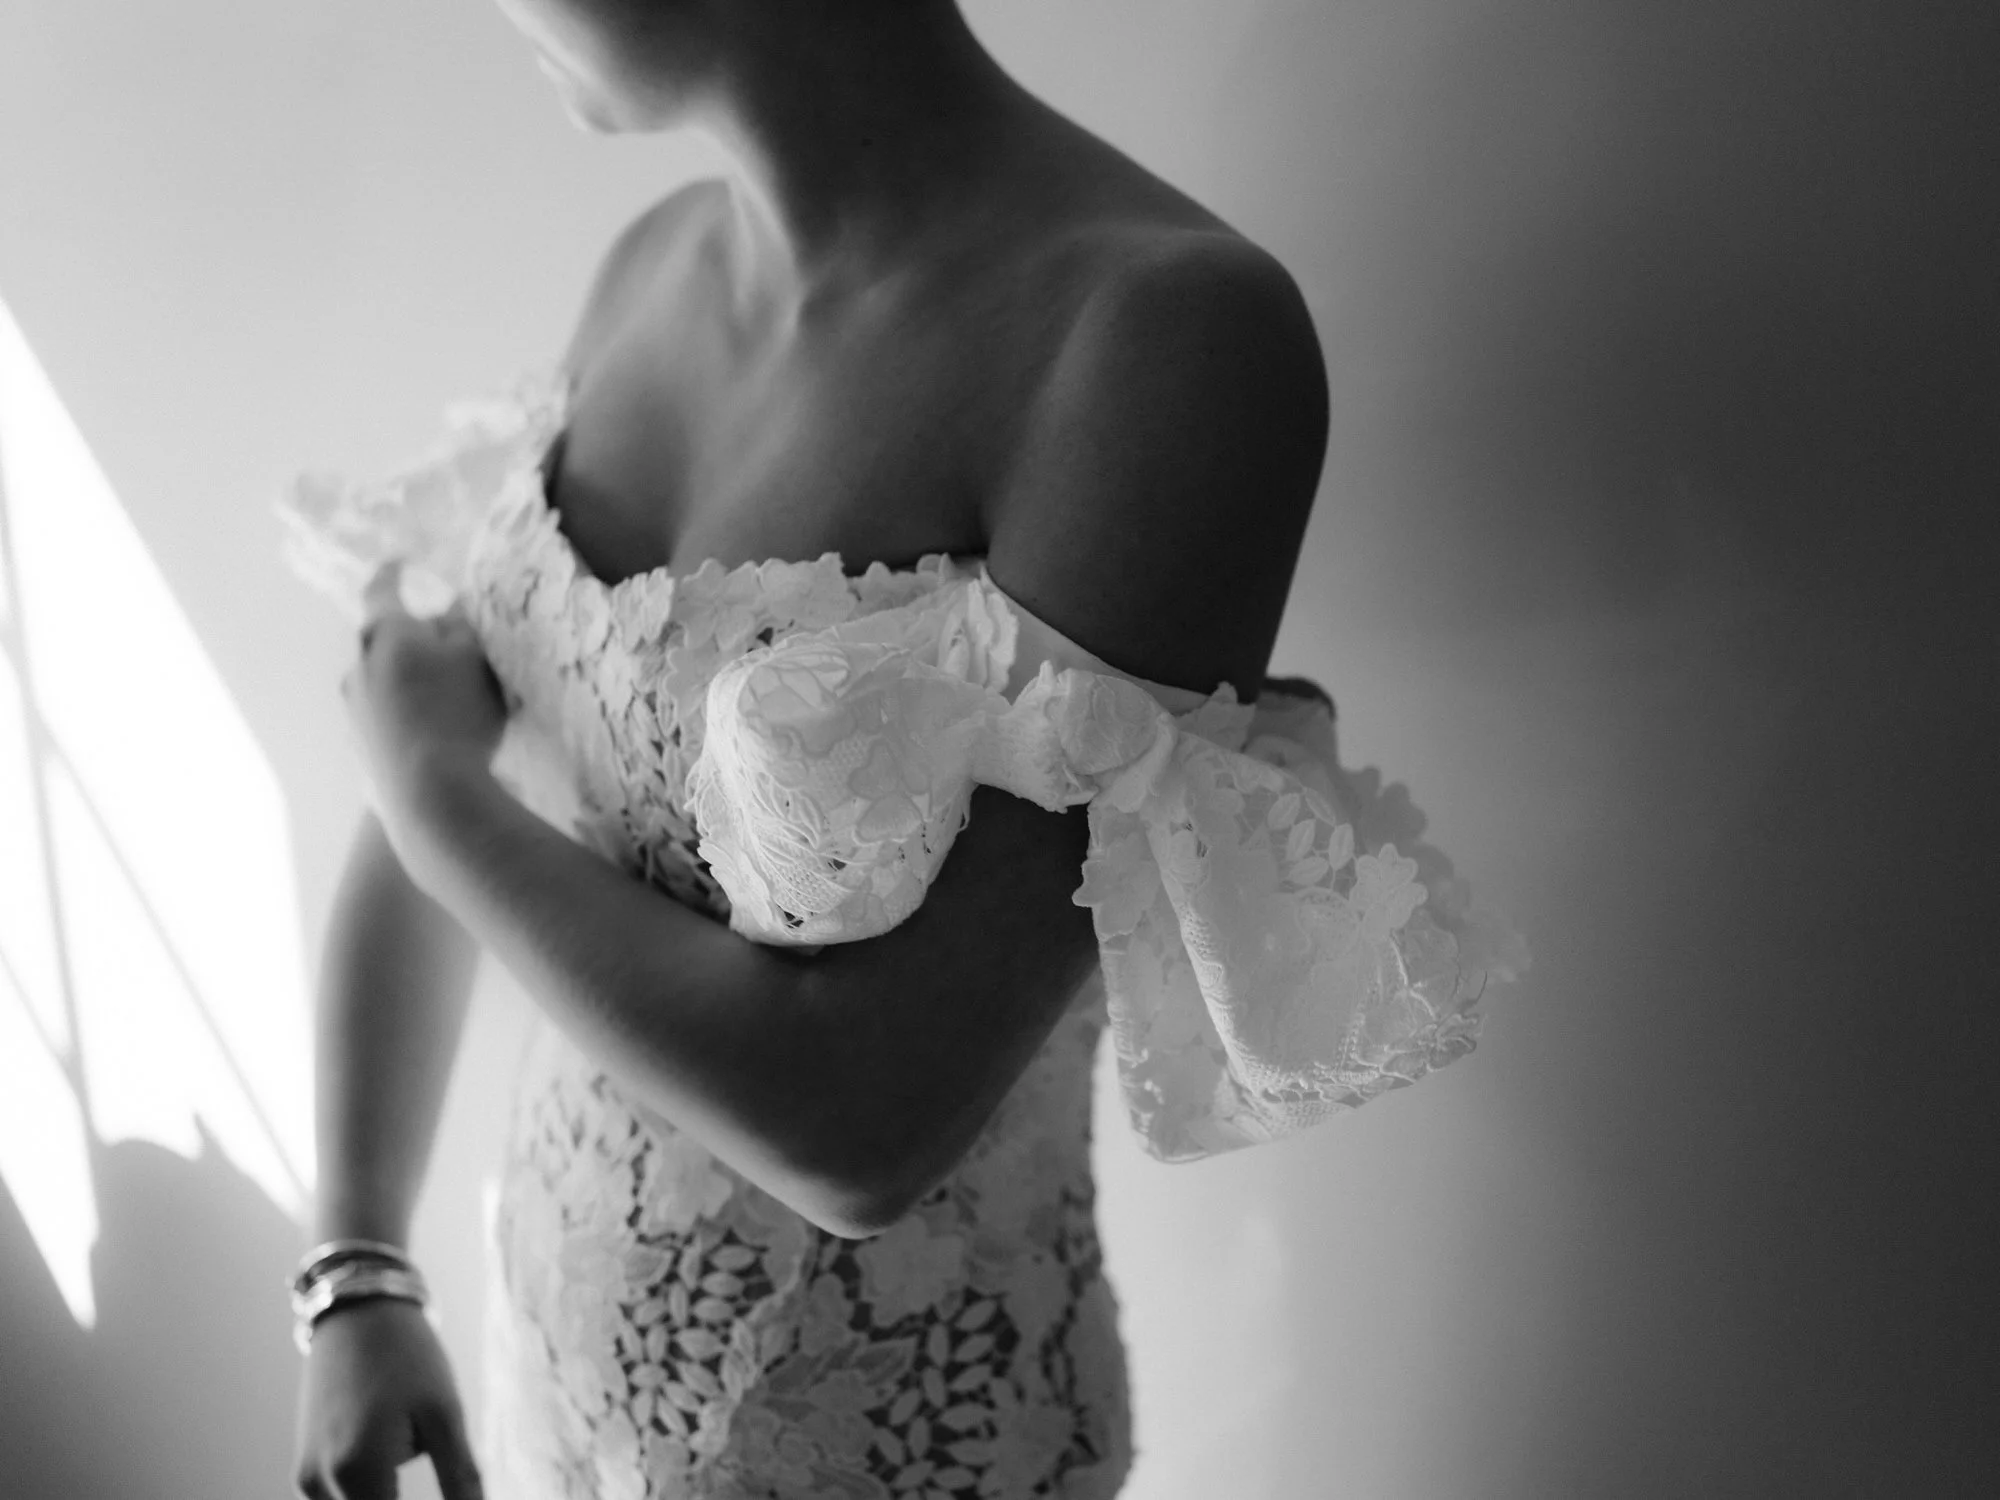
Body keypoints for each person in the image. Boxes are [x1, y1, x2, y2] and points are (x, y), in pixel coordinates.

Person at [280, 3, 1521, 1497]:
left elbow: (861, 1122)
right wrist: (357, 1266)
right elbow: (465, 769)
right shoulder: (651, 267)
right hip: (545, 1377)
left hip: (889, 1446)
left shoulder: (1163, 341)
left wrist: (424, 791)